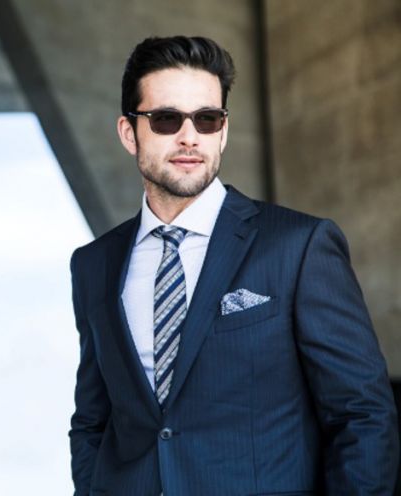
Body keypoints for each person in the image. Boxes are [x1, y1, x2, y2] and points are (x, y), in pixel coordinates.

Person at [68, 35, 399, 495]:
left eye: (207, 119)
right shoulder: (94, 264)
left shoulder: (298, 246)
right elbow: (93, 421)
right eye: (166, 119)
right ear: (129, 132)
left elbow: (361, 414)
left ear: (222, 131)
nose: (189, 137)